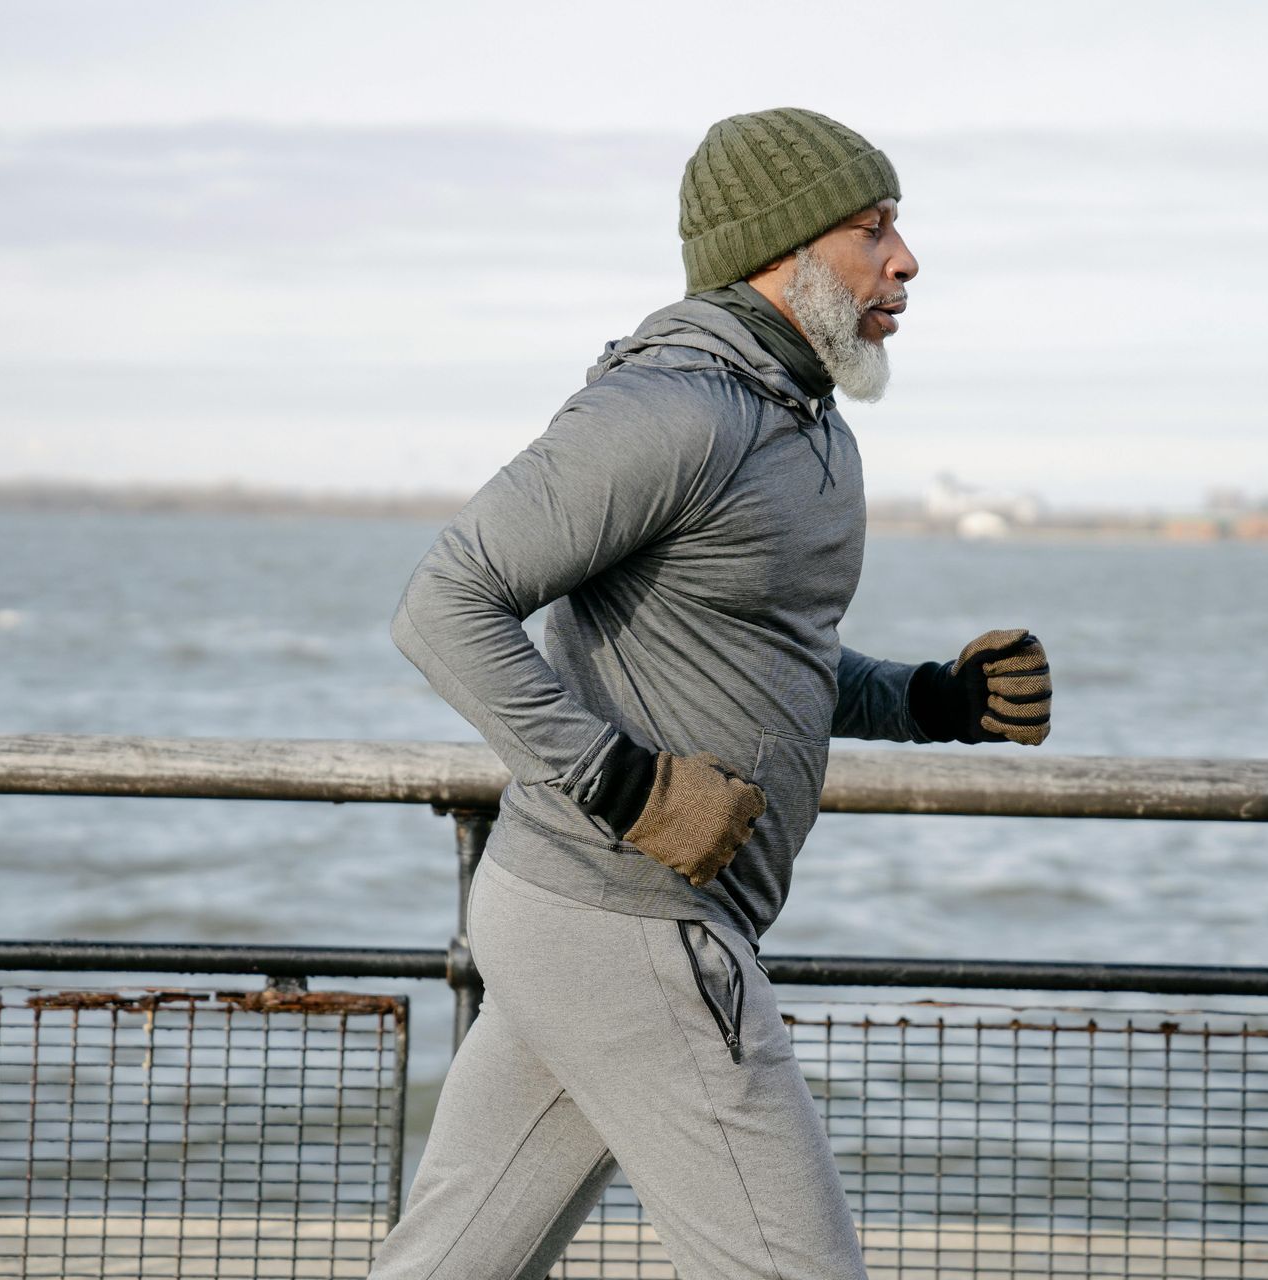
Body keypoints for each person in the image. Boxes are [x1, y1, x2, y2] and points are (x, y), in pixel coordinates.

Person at [368, 107, 1053, 1280]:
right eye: (872, 229)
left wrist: (931, 697)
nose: (906, 259)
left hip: (588, 921)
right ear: (779, 252)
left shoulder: (808, 424)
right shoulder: (673, 406)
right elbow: (444, 603)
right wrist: (626, 784)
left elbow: (767, 659)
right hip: (626, 913)